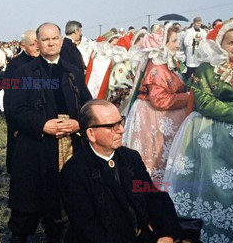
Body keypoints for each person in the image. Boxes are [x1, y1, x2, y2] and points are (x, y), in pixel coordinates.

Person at [163, 20, 233, 241]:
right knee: (219, 188)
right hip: (217, 135)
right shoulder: (209, 68)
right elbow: (203, 101)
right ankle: (216, 232)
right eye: (231, 43)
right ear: (220, 44)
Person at [8, 22, 92, 243]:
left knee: (66, 200)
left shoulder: (73, 71)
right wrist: (42, 125)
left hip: (70, 143)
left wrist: (78, 124)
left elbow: (88, 105)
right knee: (29, 199)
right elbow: (14, 109)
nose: (51, 43)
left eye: (55, 38)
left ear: (62, 41)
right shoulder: (23, 72)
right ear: (38, 43)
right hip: (37, 143)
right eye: (46, 39)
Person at [62, 99, 180, 243]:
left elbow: (153, 196)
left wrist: (166, 233)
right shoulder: (74, 171)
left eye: (120, 122)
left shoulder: (130, 158)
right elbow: (89, 229)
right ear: (91, 134)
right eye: (112, 126)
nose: (122, 130)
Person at [123, 26, 188, 183]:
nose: (177, 45)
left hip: (160, 114)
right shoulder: (157, 66)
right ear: (162, 44)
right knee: (155, 156)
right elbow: (160, 100)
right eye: (173, 41)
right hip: (153, 117)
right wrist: (187, 97)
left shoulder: (165, 63)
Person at [3, 30, 39, 173]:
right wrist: (14, 125)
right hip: (21, 120)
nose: (37, 46)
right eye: (32, 44)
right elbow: (9, 98)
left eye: (38, 42)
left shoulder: (43, 61)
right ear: (23, 45)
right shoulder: (15, 65)